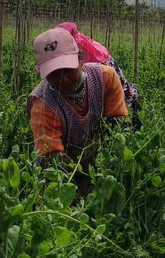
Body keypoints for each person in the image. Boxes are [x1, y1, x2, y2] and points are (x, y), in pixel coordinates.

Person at [27, 26, 128, 194]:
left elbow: (117, 132)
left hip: (98, 156)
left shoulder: (106, 78)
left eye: (67, 69)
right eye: (54, 74)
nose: (63, 80)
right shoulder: (43, 104)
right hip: (63, 162)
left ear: (80, 60)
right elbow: (52, 160)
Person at [55, 22, 141, 113]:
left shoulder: (78, 45)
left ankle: (131, 106)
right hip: (102, 66)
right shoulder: (74, 42)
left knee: (118, 88)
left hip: (104, 67)